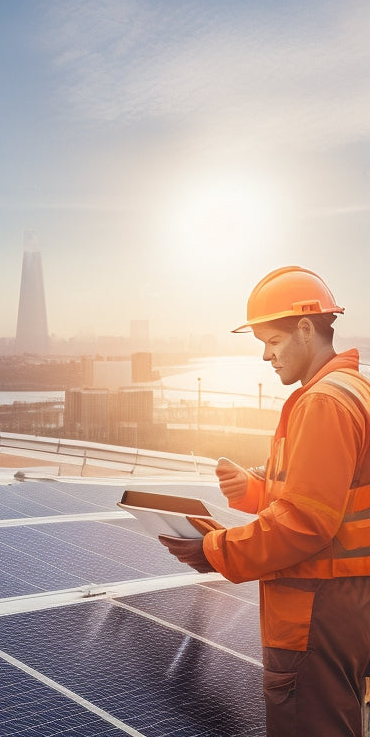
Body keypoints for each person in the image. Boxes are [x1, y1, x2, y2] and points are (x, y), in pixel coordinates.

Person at [159, 265, 370, 737]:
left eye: (271, 342)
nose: (265, 356)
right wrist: (254, 491)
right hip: (344, 605)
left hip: (314, 611)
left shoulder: (323, 403)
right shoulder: (351, 389)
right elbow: (326, 498)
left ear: (305, 328)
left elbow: (306, 522)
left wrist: (214, 549)